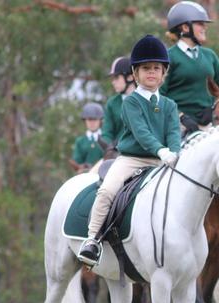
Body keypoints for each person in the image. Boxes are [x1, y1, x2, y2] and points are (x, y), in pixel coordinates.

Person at [77, 34, 181, 266]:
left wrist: (174, 151)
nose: (151, 72)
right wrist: (162, 151)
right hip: (132, 159)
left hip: (162, 162)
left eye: (156, 68)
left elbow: (174, 132)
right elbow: (141, 133)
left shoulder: (170, 105)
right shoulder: (130, 103)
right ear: (135, 74)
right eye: (146, 68)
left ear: (164, 73)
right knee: (106, 191)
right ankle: (92, 240)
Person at [160, 1, 219, 133]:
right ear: (185, 27)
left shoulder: (210, 56)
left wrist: (214, 108)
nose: (205, 27)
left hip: (208, 123)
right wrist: (180, 117)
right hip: (177, 125)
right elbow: (158, 96)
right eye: (200, 23)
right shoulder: (168, 58)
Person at [103, 56, 137, 144]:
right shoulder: (112, 103)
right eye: (112, 78)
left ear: (130, 77)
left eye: (116, 77)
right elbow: (107, 133)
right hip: (118, 151)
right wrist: (109, 147)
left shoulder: (147, 98)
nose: (113, 82)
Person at [71, 102, 105, 173]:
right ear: (85, 121)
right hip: (85, 175)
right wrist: (81, 166)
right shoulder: (80, 141)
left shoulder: (106, 138)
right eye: (89, 120)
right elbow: (77, 162)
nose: (92, 123)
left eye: (95, 119)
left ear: (100, 120)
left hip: (104, 174)